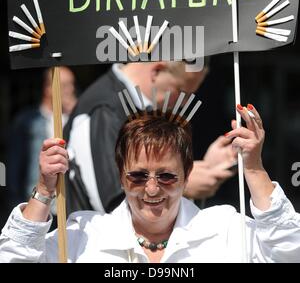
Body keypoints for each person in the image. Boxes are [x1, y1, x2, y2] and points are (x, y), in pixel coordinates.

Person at [1, 104, 300, 263]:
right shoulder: (82, 237)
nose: (153, 189)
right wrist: (44, 190)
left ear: (186, 174)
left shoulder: (226, 231)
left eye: (167, 176)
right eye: (138, 175)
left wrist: (254, 168)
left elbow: (291, 252)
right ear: (121, 174)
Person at [64, 61, 236, 213]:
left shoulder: (129, 107)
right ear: (157, 70)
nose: (183, 103)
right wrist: (181, 185)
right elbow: (112, 202)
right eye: (181, 91)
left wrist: (203, 167)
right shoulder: (104, 110)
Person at [7, 67, 77, 207]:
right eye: (64, 86)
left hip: (69, 204)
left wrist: (77, 112)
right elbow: (14, 166)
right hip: (36, 201)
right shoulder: (27, 121)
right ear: (47, 88)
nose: (69, 91)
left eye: (72, 85)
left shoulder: (77, 119)